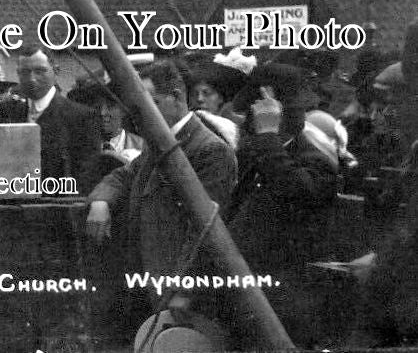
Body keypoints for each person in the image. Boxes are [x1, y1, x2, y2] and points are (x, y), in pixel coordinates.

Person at [86, 60, 236, 335]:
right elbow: (124, 175)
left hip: (178, 297)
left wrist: (184, 293)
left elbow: (204, 234)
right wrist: (100, 201)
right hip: (151, 284)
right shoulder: (160, 142)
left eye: (151, 102)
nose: (141, 114)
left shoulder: (210, 151)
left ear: (177, 97)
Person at [225, 63, 338, 349]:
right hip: (248, 294)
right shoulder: (257, 154)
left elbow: (294, 189)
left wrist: (267, 137)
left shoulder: (316, 159)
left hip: (290, 303)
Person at [15, 45, 101, 194]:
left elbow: (86, 177)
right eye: (25, 72)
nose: (32, 79)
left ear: (56, 70)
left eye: (40, 71)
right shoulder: (9, 113)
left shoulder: (81, 117)